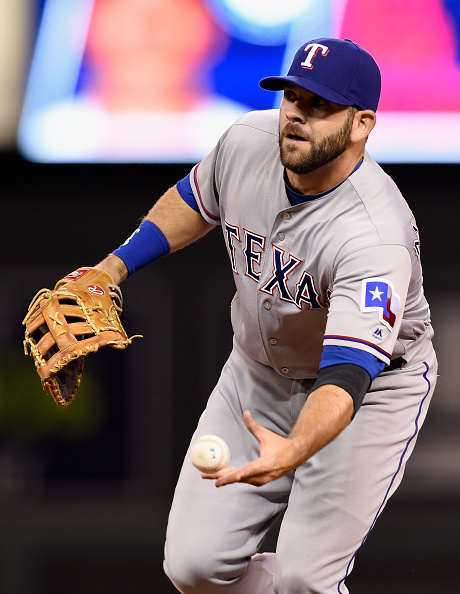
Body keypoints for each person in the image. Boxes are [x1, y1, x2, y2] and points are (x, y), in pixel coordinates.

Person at [95, 38, 437, 593]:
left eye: (320, 105)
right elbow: (193, 201)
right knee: (194, 569)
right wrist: (113, 268)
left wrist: (295, 449)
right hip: (257, 377)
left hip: (370, 392)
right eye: (292, 96)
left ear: (361, 124)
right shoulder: (249, 139)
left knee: (304, 578)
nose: (297, 114)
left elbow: (349, 373)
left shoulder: (375, 235)